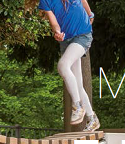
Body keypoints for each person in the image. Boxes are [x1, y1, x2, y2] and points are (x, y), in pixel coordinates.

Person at [39, 0, 100, 131]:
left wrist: (90, 15)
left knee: (63, 65)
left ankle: (77, 106)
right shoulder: (45, 1)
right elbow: (53, 21)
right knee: (77, 84)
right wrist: (57, 32)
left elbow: (83, 1)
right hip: (66, 41)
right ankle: (92, 118)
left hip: (82, 36)